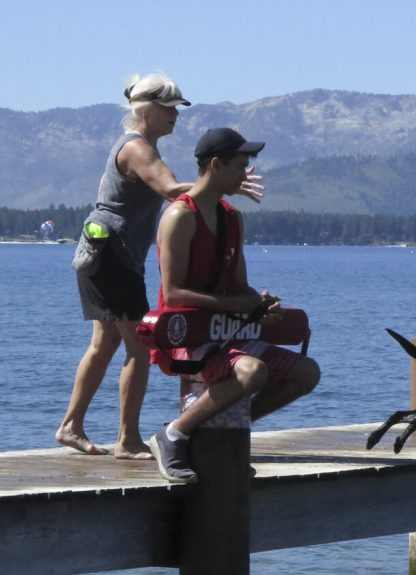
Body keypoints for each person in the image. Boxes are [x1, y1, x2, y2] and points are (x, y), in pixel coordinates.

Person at [58, 72, 264, 459]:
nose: (175, 116)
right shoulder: (137, 149)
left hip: (105, 253)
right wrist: (222, 185)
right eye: (169, 108)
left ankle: (71, 426)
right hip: (113, 255)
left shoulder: (141, 145)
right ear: (147, 109)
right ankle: (128, 440)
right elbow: (170, 190)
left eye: (178, 109)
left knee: (104, 345)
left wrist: (221, 186)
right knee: (139, 347)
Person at [148, 127, 320, 483]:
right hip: (186, 339)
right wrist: (235, 305)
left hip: (229, 333)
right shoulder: (180, 217)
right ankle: (173, 435)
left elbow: (239, 285)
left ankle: (222, 434)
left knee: (307, 372)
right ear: (216, 165)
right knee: (252, 372)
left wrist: (258, 304)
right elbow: (175, 292)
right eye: (240, 166)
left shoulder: (231, 218)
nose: (246, 175)